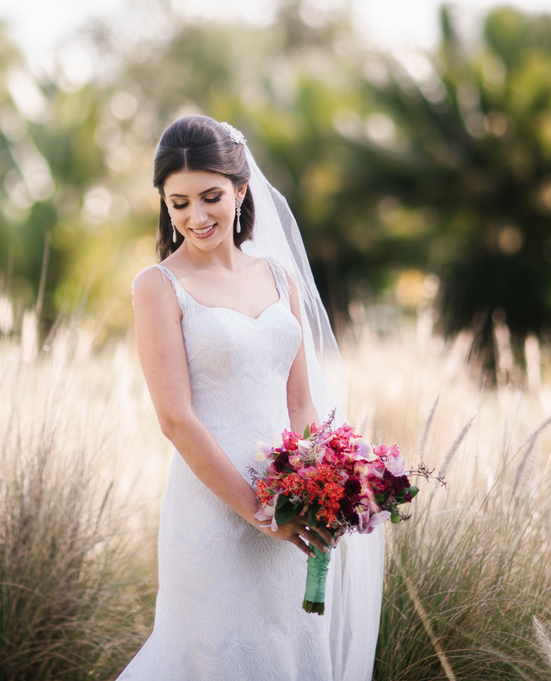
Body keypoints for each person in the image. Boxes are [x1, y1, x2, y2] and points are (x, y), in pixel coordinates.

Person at [121, 115, 383, 680]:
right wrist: (259, 513)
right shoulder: (159, 286)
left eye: (210, 197)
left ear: (240, 190)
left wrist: (324, 488)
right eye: (179, 203)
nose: (196, 217)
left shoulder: (279, 278)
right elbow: (176, 419)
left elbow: (301, 405)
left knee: (290, 650)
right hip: (215, 511)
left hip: (289, 506)